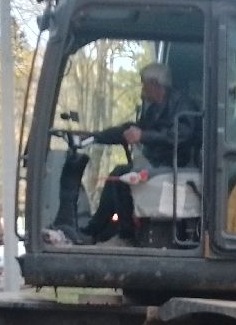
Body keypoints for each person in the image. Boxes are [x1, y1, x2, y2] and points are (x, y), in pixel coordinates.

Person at [49, 62, 200, 245]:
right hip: (159, 163)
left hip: (178, 164)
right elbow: (131, 131)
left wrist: (143, 136)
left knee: (121, 176)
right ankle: (95, 231)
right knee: (119, 175)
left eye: (144, 84)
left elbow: (183, 135)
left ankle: (125, 235)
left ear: (155, 84)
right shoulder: (155, 109)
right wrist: (95, 136)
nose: (142, 89)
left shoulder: (183, 105)